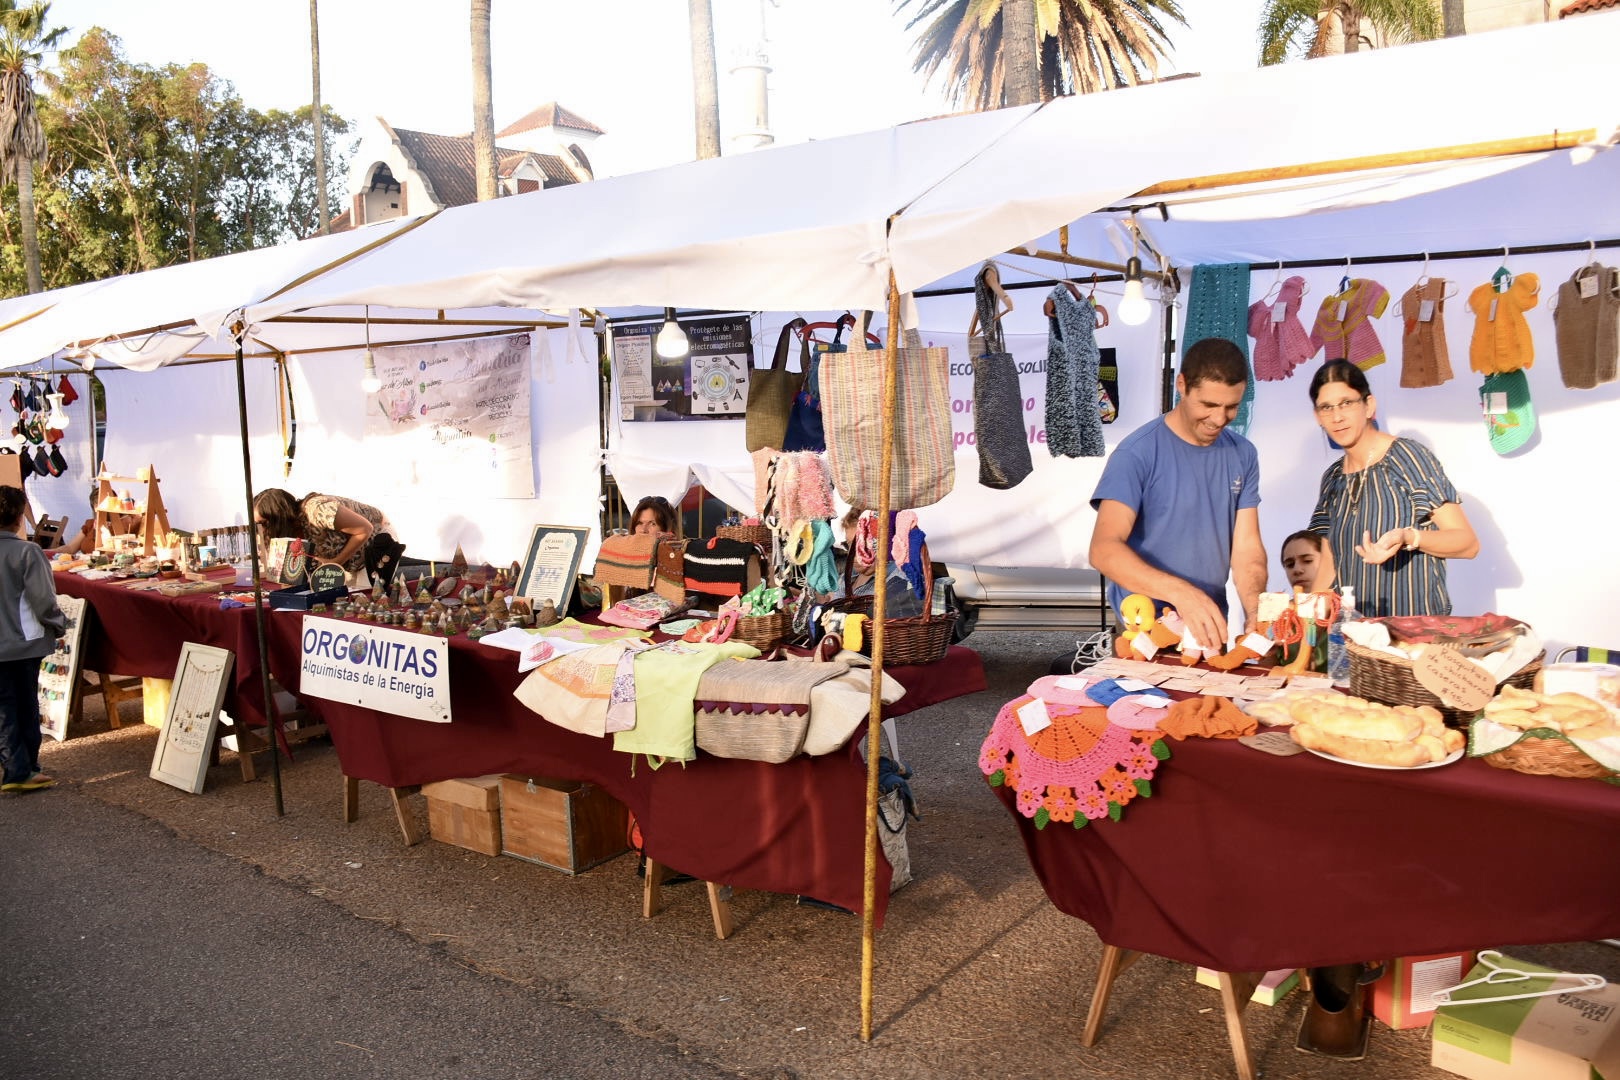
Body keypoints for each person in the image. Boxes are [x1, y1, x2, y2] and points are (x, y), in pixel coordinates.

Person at [1088, 337, 1267, 652]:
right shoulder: (1137, 453)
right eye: (1208, 405)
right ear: (1181, 385)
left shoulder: (1243, 454)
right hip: (1143, 631)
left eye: (1231, 407)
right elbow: (1104, 550)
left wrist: (1256, 612)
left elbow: (1247, 549)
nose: (1219, 419)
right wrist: (1182, 594)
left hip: (1207, 629)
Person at [1305, 359, 1479, 618]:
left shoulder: (1407, 457)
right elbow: (1331, 560)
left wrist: (1409, 538)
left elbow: (1467, 543)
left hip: (1412, 639)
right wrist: (1307, 620)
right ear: (1318, 417)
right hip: (1352, 642)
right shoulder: (1331, 478)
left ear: (1369, 406)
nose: (1337, 416)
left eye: (1346, 403)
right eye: (1326, 407)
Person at [0, 485, 68, 793]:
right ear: (18, 518)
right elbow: (43, 600)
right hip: (20, 642)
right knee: (23, 703)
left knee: (5, 704)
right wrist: (58, 624)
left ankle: (15, 765)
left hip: (13, 642)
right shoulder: (27, 552)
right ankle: (20, 770)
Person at [252, 488, 403, 589]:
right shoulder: (284, 531)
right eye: (258, 524)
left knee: (365, 597)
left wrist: (335, 562)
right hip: (345, 558)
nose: (262, 529)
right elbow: (289, 578)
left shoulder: (318, 510)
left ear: (280, 517)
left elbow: (365, 529)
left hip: (375, 540)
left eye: (264, 523)